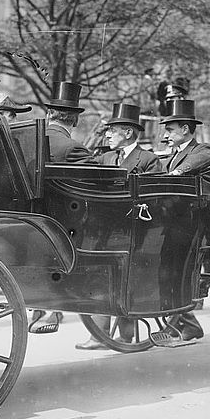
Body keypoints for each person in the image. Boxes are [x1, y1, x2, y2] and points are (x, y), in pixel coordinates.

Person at [75, 102, 163, 350]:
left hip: (136, 232)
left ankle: (123, 335)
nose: (107, 135)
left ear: (127, 133)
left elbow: (155, 201)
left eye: (112, 131)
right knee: (102, 279)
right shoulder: (104, 158)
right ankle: (100, 335)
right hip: (105, 231)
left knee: (126, 281)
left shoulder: (149, 160)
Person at [29, 81, 94, 334]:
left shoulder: (24, 139)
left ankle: (42, 307)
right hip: (66, 226)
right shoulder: (73, 148)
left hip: (30, 218)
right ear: (75, 121)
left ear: (48, 114)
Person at [151, 99, 210, 345]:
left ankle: (181, 324)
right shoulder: (172, 155)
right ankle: (188, 324)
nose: (166, 134)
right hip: (173, 224)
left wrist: (179, 172)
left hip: (190, 225)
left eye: (170, 129)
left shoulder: (199, 150)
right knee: (168, 273)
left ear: (186, 130)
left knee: (176, 274)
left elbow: (207, 156)